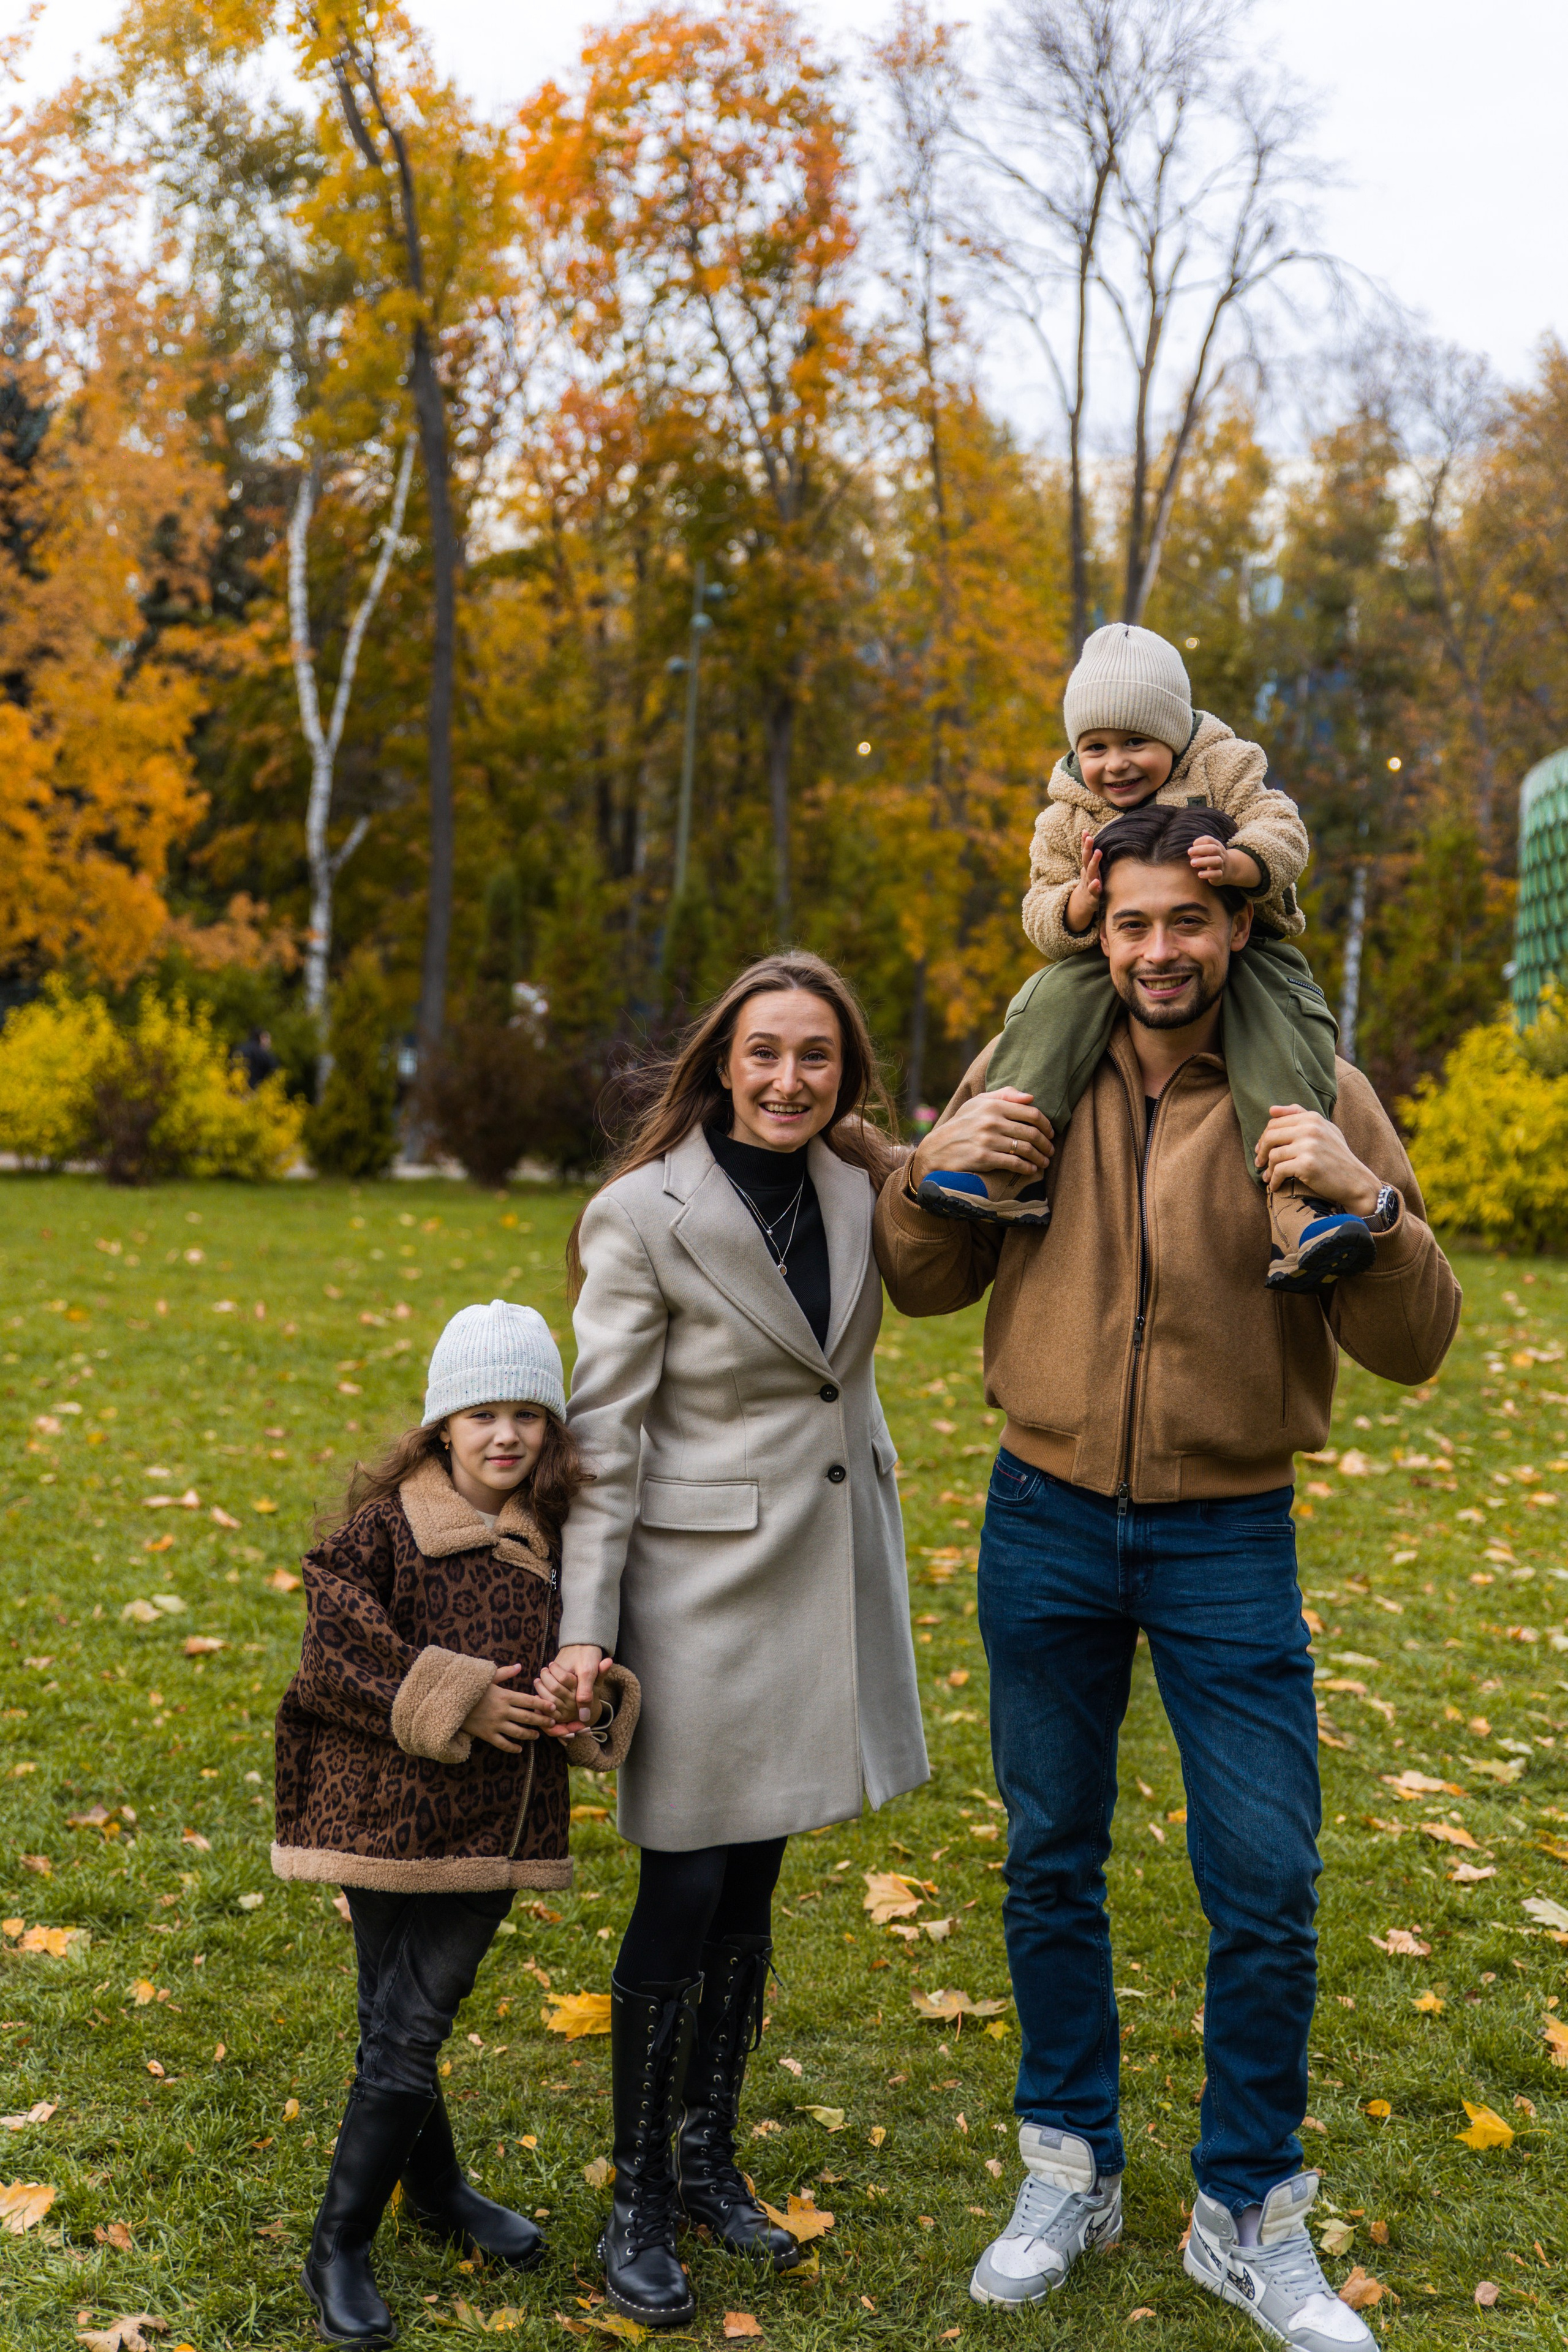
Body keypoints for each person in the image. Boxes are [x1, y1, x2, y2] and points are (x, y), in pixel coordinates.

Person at [874, 805, 1460, 2352]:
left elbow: (1414, 1341)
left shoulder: (1307, 1084)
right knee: (1047, 1854)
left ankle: (1245, 2208)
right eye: (1127, 924)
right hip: (1043, 1513)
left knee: (1264, 1883)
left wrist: (1372, 1204)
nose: (1154, 952)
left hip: (1227, 1531)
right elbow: (923, 1280)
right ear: (1096, 928)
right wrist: (932, 1163)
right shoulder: (1033, 1065)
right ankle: (1064, 2162)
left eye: (1181, 926)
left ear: (1233, 930)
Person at [538, 952, 929, 2329]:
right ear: (719, 1063)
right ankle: (635, 2193)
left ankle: (708, 2160)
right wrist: (584, 1633)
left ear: (844, 1075)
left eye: (814, 1057)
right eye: (763, 1053)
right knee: (683, 1890)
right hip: (697, 1595)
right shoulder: (638, 1217)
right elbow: (602, 1437)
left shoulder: (858, 1190)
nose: (786, 1080)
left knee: (752, 1889)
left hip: (822, 1572)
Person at [272, 1299, 637, 2350]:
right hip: (380, 1821)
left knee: (408, 2024)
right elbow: (333, 1652)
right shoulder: (385, 1532)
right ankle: (357, 2236)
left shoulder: (563, 1541)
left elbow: (591, 1655)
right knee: (396, 2026)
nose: (506, 1434)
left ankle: (392, 2215)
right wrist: (459, 1695)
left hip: (484, 1833)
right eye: (481, 1412)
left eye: (528, 1412)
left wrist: (584, 1699)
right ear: (442, 1426)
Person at [918, 622, 1373, 1292]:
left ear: (1176, 734)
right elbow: (1039, 911)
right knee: (1043, 1011)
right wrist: (1079, 905)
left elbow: (1283, 829)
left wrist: (1241, 862)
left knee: (1280, 1037)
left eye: (1137, 742)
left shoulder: (1225, 767)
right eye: (1095, 747)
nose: (1117, 764)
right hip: (1096, 959)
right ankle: (1009, 1164)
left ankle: (1297, 1205)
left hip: (1247, 954)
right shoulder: (1064, 815)